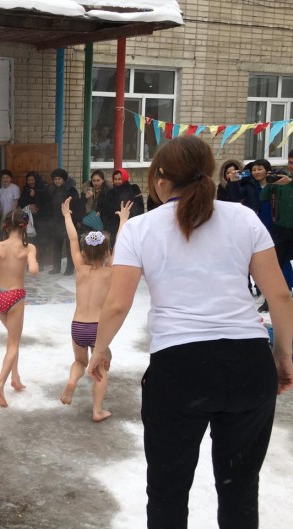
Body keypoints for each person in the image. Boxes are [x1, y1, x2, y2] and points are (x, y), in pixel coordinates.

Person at [87, 135, 293, 529]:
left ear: (161, 178)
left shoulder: (140, 228)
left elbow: (116, 304)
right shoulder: (243, 218)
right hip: (249, 366)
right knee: (239, 489)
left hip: (179, 371)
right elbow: (280, 296)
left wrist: (100, 348)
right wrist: (283, 355)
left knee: (168, 491)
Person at [59, 196, 132, 421]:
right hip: (98, 328)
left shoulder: (80, 269)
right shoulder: (110, 270)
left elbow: (73, 239)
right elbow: (121, 244)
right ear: (106, 252)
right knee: (101, 367)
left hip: (78, 325)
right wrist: (123, 220)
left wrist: (67, 216)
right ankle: (97, 410)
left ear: (84, 252)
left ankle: (73, 380)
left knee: (80, 361)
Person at [0, 209, 39, 407]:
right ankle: (0, 383)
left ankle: (15, 378)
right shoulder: (28, 248)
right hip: (15, 297)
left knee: (12, 340)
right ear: (25, 226)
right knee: (14, 343)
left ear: (6, 225)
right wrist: (33, 264)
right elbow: (33, 270)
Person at [260, 151, 293, 309]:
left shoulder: (288, 180)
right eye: (290, 163)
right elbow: (262, 197)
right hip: (281, 228)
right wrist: (270, 182)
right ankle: (271, 300)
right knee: (276, 265)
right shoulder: (280, 179)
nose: (291, 166)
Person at [48, 168, 79, 275]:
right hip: (56, 221)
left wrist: (73, 219)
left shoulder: (71, 190)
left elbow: (76, 206)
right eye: (55, 179)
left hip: (68, 220)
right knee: (56, 245)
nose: (57, 181)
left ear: (64, 179)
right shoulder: (52, 189)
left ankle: (69, 268)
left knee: (70, 245)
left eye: (59, 179)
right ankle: (56, 268)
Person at [18, 171, 50, 266]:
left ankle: (41, 263)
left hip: (42, 219)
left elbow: (47, 200)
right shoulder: (26, 189)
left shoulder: (43, 187)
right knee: (31, 242)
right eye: (28, 180)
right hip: (30, 220)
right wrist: (29, 206)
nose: (30, 182)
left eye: (32, 180)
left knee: (42, 241)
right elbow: (21, 202)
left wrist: (36, 193)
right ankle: (32, 262)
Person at [103, 168, 144, 242]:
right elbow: (107, 211)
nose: (117, 181)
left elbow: (140, 207)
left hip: (132, 223)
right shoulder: (110, 192)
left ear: (125, 178)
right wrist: (110, 224)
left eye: (119, 179)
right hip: (115, 226)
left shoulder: (134, 189)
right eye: (115, 179)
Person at [0, 169, 20, 236]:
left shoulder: (15, 188)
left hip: (12, 217)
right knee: (4, 234)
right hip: (3, 217)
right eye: (3, 177)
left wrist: (10, 215)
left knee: (12, 235)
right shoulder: (0, 190)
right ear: (1, 179)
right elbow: (0, 205)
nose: (5, 179)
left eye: (7, 177)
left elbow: (15, 202)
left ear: (11, 178)